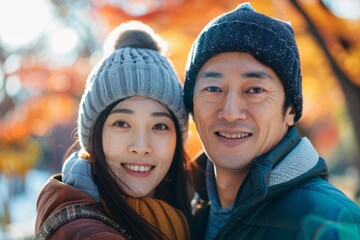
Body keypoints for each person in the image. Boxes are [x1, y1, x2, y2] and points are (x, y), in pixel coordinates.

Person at [183, 2, 360, 240]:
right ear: (192, 106)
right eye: (213, 88)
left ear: (290, 111)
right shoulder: (183, 215)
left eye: (255, 90)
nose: (230, 112)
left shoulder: (334, 220)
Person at [35, 21, 196, 240]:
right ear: (94, 135)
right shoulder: (84, 232)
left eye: (159, 126)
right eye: (122, 123)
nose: (141, 146)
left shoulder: (189, 217)